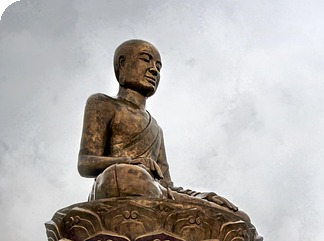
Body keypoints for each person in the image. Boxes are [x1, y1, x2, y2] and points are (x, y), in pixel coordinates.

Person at [77, 39, 247, 220]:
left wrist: (202, 197)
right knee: (128, 176)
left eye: (158, 67)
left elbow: (167, 185)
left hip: (155, 191)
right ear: (122, 63)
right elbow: (85, 163)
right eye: (145, 59)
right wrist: (130, 162)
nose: (154, 70)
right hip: (118, 182)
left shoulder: (155, 128)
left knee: (237, 216)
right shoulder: (103, 103)